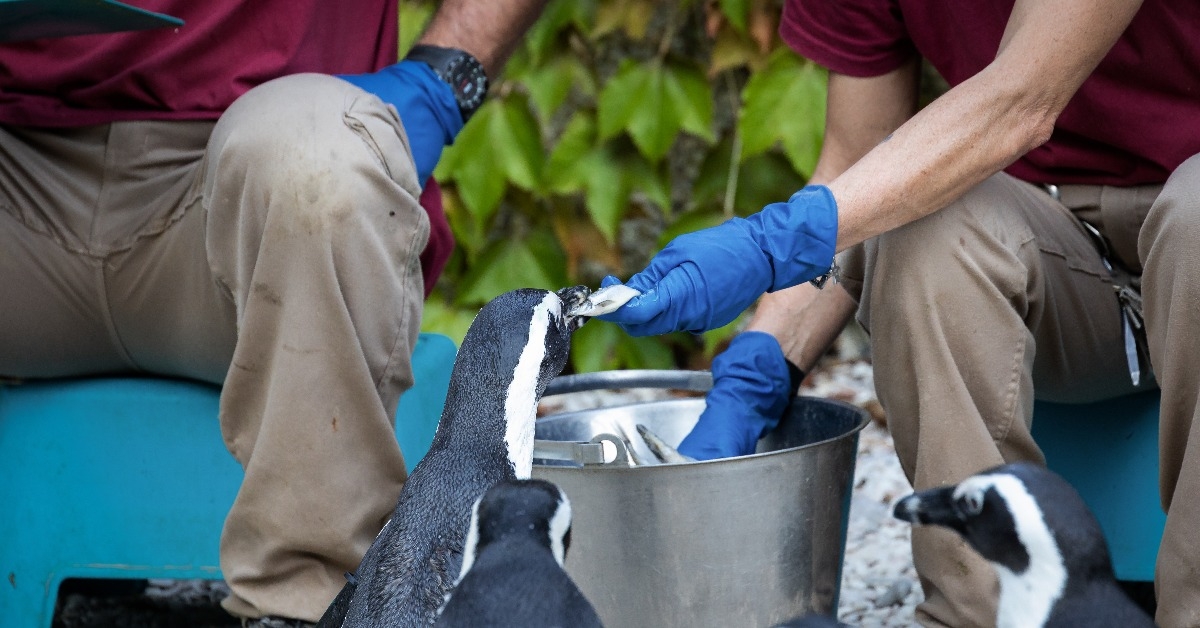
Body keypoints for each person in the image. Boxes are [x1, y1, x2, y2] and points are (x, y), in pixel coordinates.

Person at [601, 0, 1200, 626]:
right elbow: (857, 174)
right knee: (923, 227)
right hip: (1055, 246)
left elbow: (1023, 96)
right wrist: (760, 368)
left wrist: (769, 241)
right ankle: (976, 613)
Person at [0, 0, 551, 625]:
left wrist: (444, 77)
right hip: (19, 175)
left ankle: (308, 609)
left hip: (256, 197)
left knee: (318, 164)